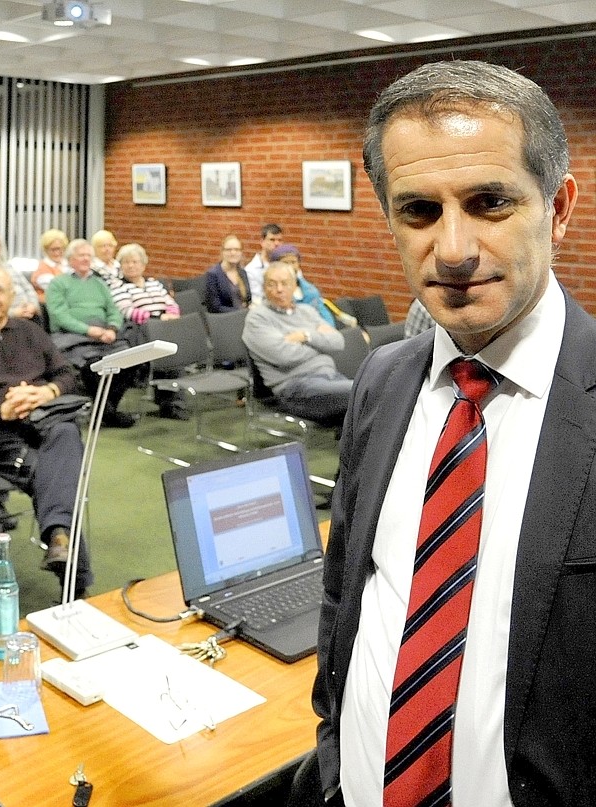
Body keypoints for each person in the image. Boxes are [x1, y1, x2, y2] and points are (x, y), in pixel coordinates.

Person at [312, 61, 588, 807]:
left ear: (559, 208)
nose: (455, 249)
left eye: (490, 202)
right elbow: (348, 593)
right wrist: (334, 755)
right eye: (420, 211)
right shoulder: (382, 380)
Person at [0, 264, 93, 595]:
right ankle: (73, 575)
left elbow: (68, 374)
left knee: (66, 435)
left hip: (47, 425)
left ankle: (61, 545)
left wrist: (45, 392)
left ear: (11, 295)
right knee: (56, 476)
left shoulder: (30, 332)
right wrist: (1, 410)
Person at [242, 261, 350, 426]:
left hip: (330, 377)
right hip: (296, 388)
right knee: (364, 390)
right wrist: (321, 347)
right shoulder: (257, 318)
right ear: (264, 288)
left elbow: (338, 342)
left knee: (369, 393)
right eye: (272, 284)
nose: (279, 289)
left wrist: (305, 336)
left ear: (294, 286)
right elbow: (283, 355)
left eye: (285, 283)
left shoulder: (307, 311)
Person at [45, 238, 135, 428]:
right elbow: (59, 316)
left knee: (131, 362)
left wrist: (111, 328)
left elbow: (113, 310)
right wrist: (89, 330)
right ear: (70, 260)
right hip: (72, 336)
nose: (86, 259)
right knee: (93, 367)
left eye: (88, 255)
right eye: (81, 255)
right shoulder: (58, 284)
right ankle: (108, 413)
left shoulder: (99, 284)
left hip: (104, 334)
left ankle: (103, 410)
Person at [107, 243, 187, 420]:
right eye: (126, 262)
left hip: (164, 327)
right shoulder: (118, 286)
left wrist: (172, 313)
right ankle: (170, 402)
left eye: (135, 262)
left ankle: (173, 401)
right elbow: (128, 311)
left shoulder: (154, 284)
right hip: (139, 329)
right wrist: (157, 317)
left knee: (176, 349)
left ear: (143, 265)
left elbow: (171, 303)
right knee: (167, 349)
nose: (131, 265)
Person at [204, 234, 251, 313]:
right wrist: (240, 312)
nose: (233, 253)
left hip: (244, 316)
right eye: (229, 250)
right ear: (222, 252)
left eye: (237, 249)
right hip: (225, 319)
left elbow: (248, 299)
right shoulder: (213, 275)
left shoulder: (242, 272)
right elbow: (214, 307)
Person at [242, 223, 283, 304]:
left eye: (279, 240)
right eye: (272, 240)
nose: (277, 244)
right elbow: (256, 300)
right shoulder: (251, 270)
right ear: (262, 242)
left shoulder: (286, 265)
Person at [30, 228, 68, 302]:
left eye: (60, 249)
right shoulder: (42, 270)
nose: (57, 253)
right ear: (46, 250)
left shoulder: (69, 264)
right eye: (53, 249)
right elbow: (58, 290)